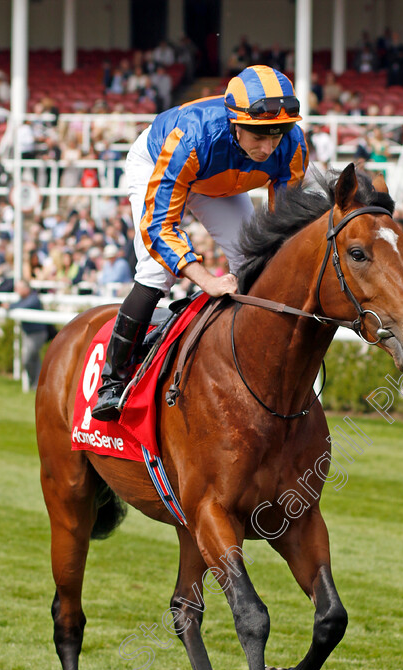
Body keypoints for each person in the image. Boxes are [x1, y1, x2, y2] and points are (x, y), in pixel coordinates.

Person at [92, 65, 308, 421]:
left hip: (219, 180)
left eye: (278, 134)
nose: (269, 148)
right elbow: (159, 227)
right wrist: (206, 280)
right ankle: (113, 381)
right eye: (258, 136)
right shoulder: (190, 137)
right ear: (236, 122)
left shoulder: (293, 145)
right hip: (160, 162)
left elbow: (281, 229)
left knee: (254, 261)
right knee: (156, 268)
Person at [7, 279, 50, 389]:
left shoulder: (34, 298)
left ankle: (35, 384)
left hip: (38, 334)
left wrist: (8, 306)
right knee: (33, 359)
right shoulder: (24, 299)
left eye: (19, 288)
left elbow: (21, 305)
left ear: (26, 289)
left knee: (28, 359)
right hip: (29, 334)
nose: (16, 290)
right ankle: (38, 385)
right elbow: (18, 304)